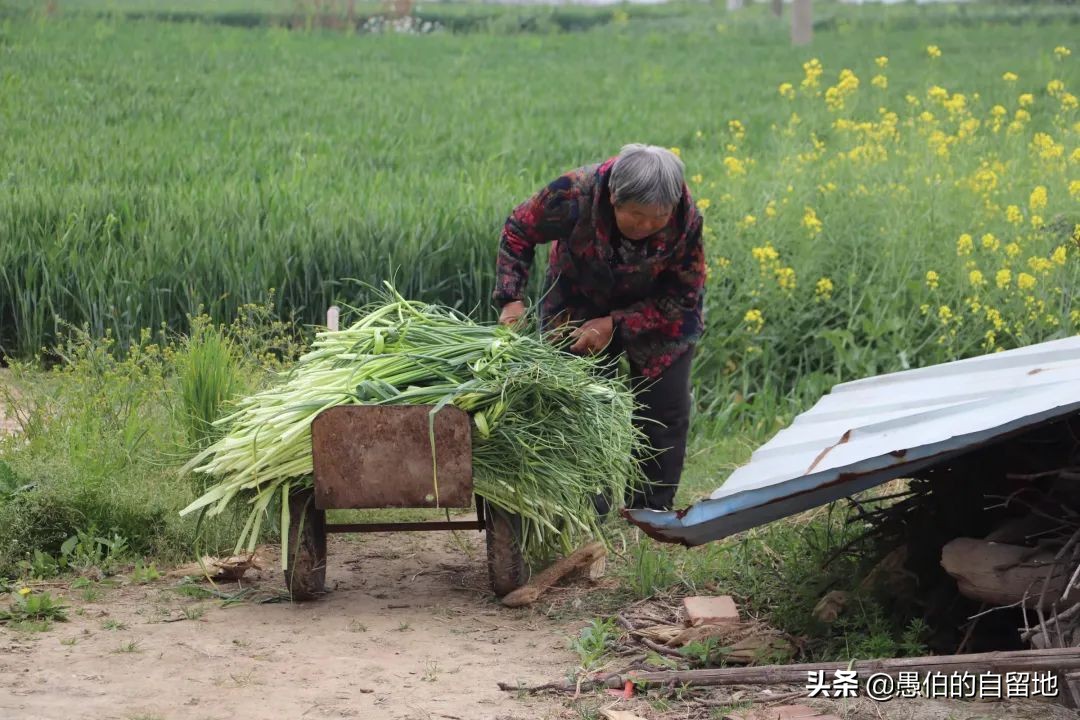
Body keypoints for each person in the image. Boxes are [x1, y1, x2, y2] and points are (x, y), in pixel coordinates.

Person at [492, 143, 706, 512]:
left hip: (657, 309)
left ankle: (650, 512)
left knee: (664, 409)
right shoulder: (573, 194)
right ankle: (588, 508)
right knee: (578, 403)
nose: (647, 226)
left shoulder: (685, 215)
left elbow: (685, 295)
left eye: (658, 218)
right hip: (578, 296)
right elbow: (518, 230)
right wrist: (511, 298)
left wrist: (617, 325)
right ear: (613, 198)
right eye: (636, 215)